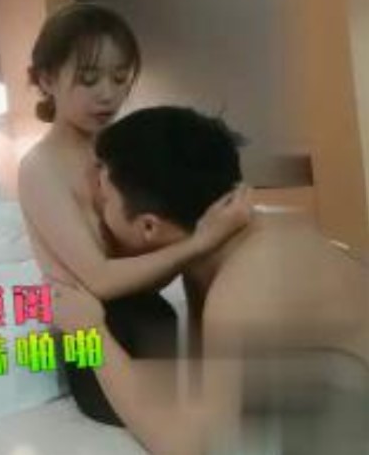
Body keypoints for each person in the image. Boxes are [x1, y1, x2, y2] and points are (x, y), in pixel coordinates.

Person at [55, 106, 369, 454]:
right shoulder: (218, 247)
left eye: (104, 200)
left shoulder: (246, 283)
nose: (97, 214)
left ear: (148, 226)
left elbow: (190, 447)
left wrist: (89, 334)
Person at [18, 2, 251, 425]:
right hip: (92, 333)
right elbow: (100, 279)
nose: (108, 94)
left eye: (120, 77)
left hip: (150, 314)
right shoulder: (40, 168)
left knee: (229, 398)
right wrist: (201, 240)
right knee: (189, 417)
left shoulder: (123, 147)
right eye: (89, 79)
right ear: (47, 80)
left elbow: (154, 245)